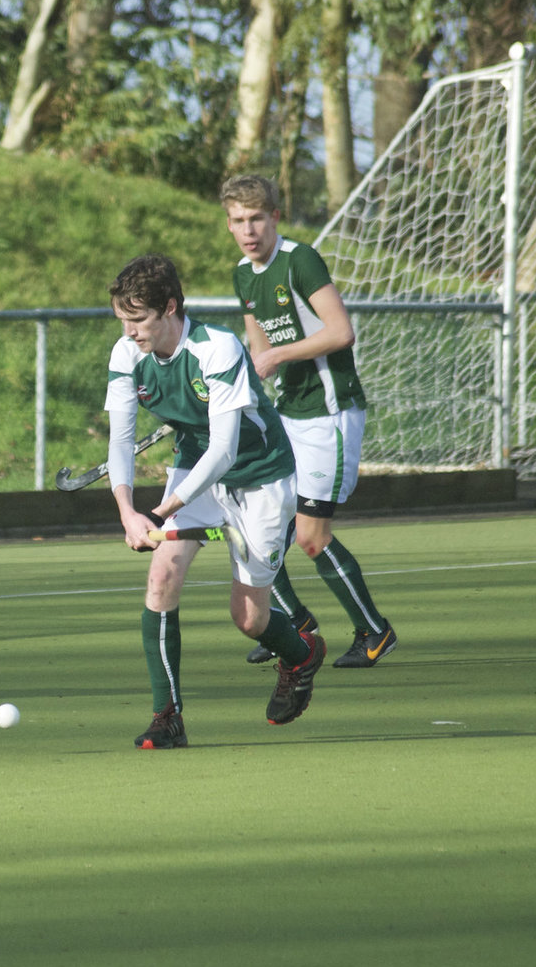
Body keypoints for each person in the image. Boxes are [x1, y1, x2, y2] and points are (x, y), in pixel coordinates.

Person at [105, 253, 325, 749]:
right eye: (122, 320)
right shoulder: (127, 354)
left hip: (260, 478)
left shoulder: (217, 348)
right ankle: (167, 717)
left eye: (139, 320)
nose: (130, 331)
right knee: (161, 576)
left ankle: (301, 654)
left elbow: (225, 449)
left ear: (170, 308)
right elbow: (120, 442)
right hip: (193, 469)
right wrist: (127, 511)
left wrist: (159, 511)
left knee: (250, 619)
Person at [220, 174, 397, 669]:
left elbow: (341, 331)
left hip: (330, 414)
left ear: (274, 217)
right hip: (287, 413)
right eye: (238, 221)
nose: (248, 229)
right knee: (262, 526)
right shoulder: (243, 274)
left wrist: (278, 356)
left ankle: (374, 631)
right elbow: (258, 346)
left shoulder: (300, 260)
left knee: (310, 537)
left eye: (257, 218)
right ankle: (294, 622)